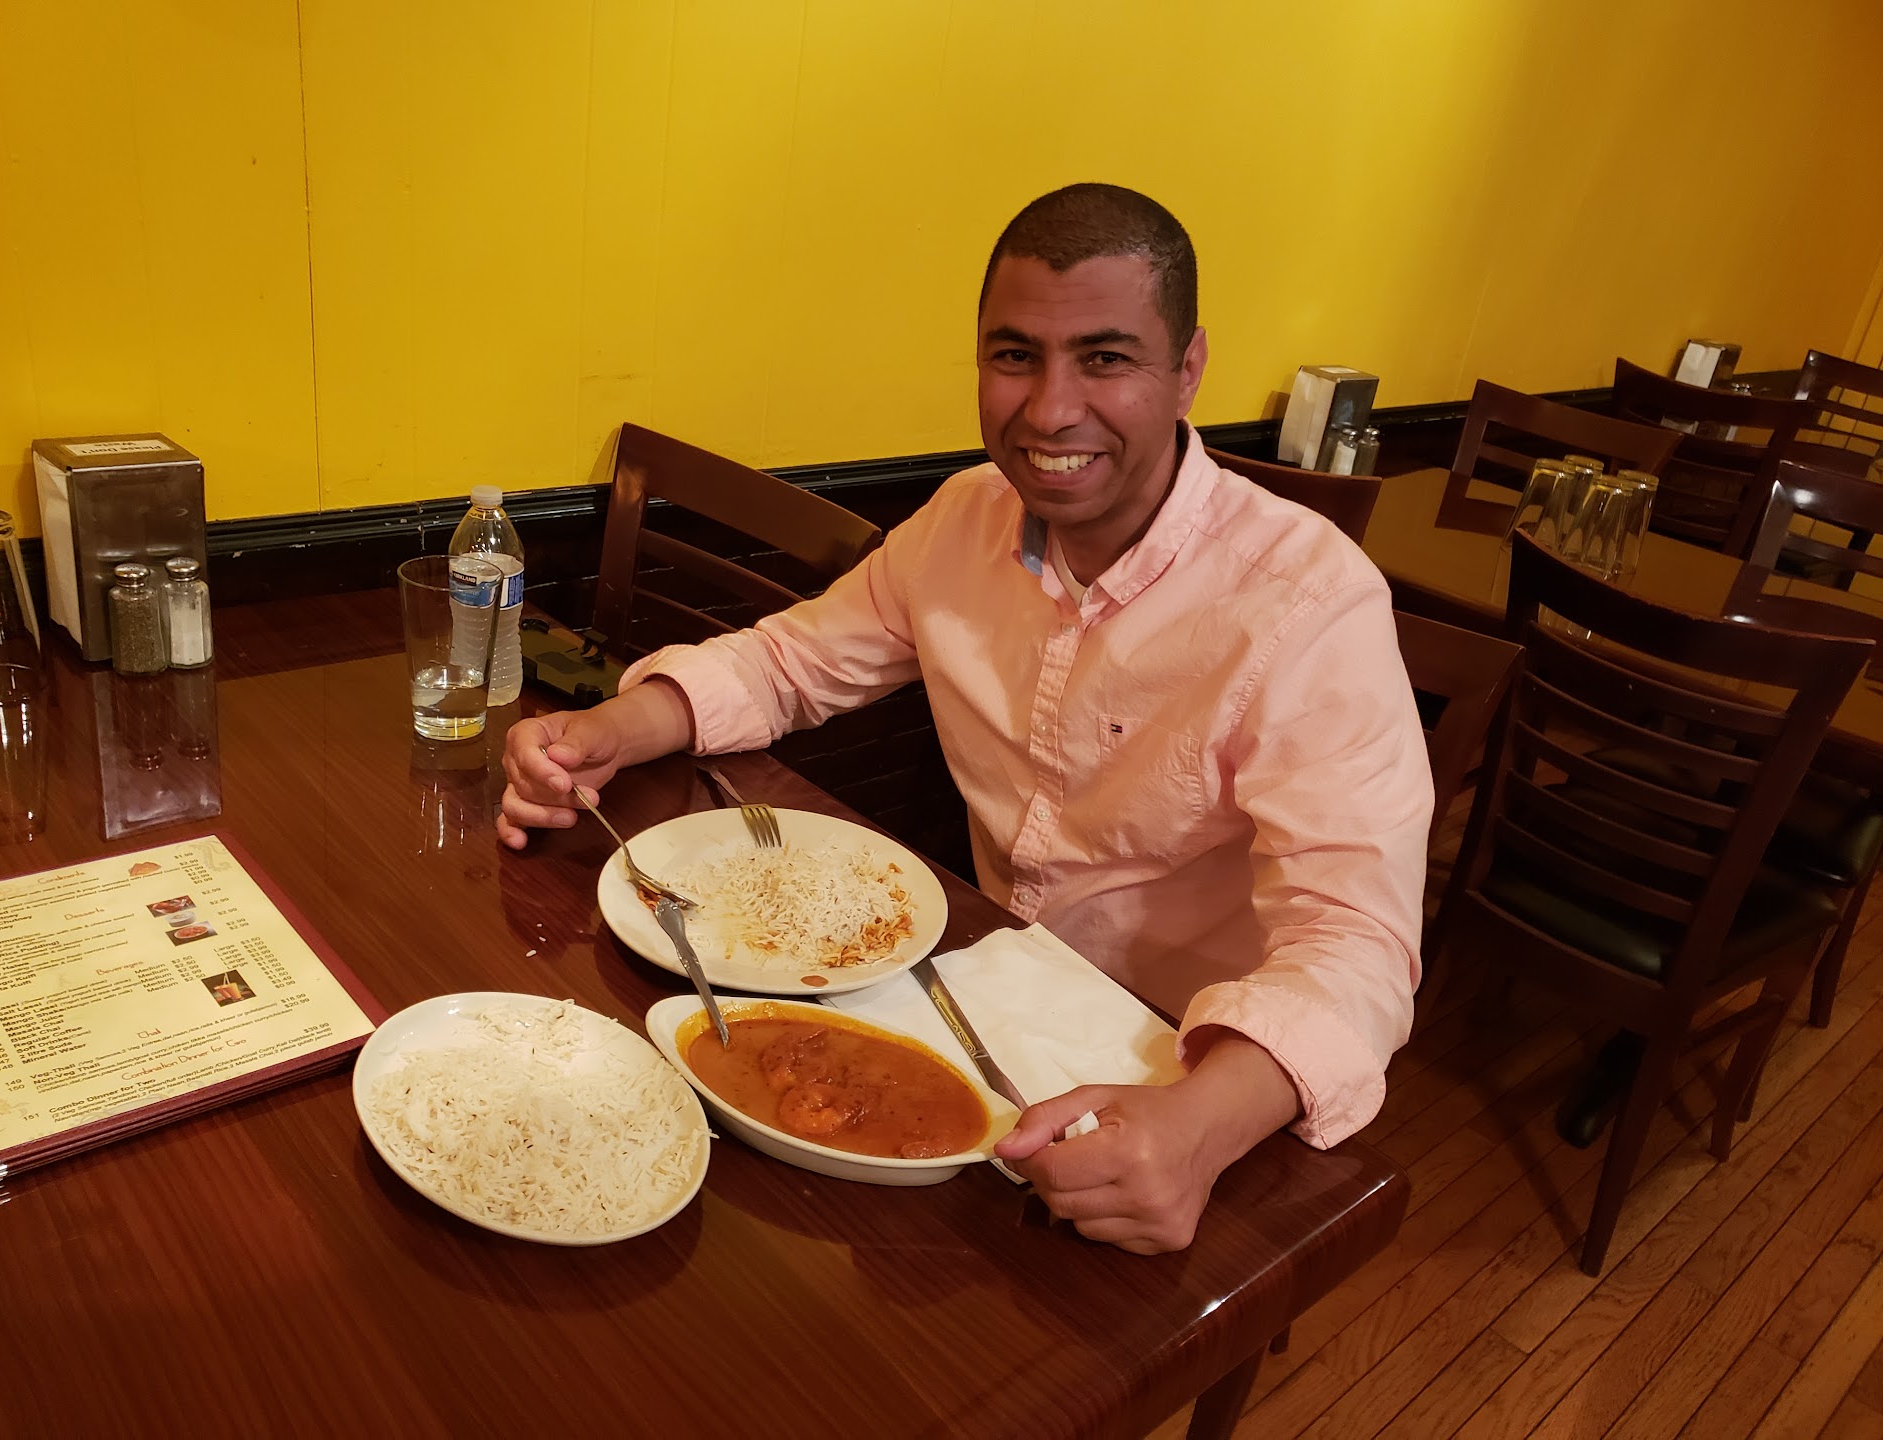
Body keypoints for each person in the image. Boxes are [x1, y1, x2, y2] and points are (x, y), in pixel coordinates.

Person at [500, 183, 1432, 1253]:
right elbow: (792, 662)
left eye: (1107, 358)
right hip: (962, 995)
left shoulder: (1309, 602)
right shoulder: (964, 517)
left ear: (1188, 370)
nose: (1051, 410)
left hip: (1188, 1075)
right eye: (1015, 356)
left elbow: (1357, 940)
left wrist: (1198, 1124)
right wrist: (617, 729)